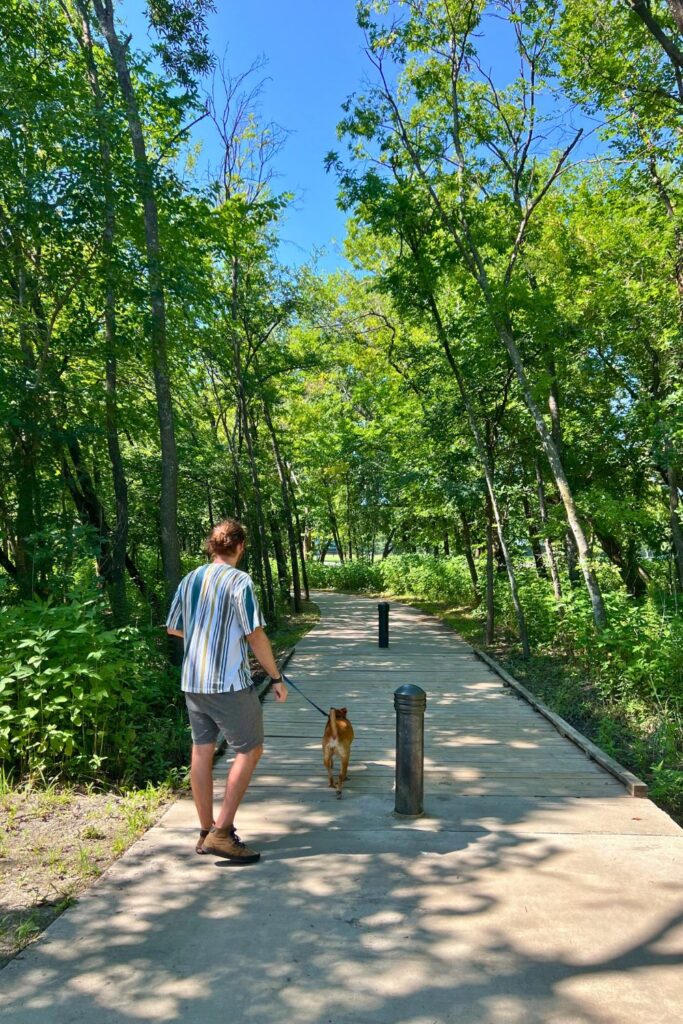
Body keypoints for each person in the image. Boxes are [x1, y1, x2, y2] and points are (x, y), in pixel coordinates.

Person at [166, 518, 287, 864]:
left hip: (193, 681)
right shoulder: (239, 581)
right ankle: (223, 831)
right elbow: (255, 634)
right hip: (228, 684)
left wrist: (205, 637)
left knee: (201, 751)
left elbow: (175, 628)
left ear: (211, 546)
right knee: (250, 750)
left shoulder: (190, 579)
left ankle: (205, 830)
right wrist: (275, 677)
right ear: (240, 547)